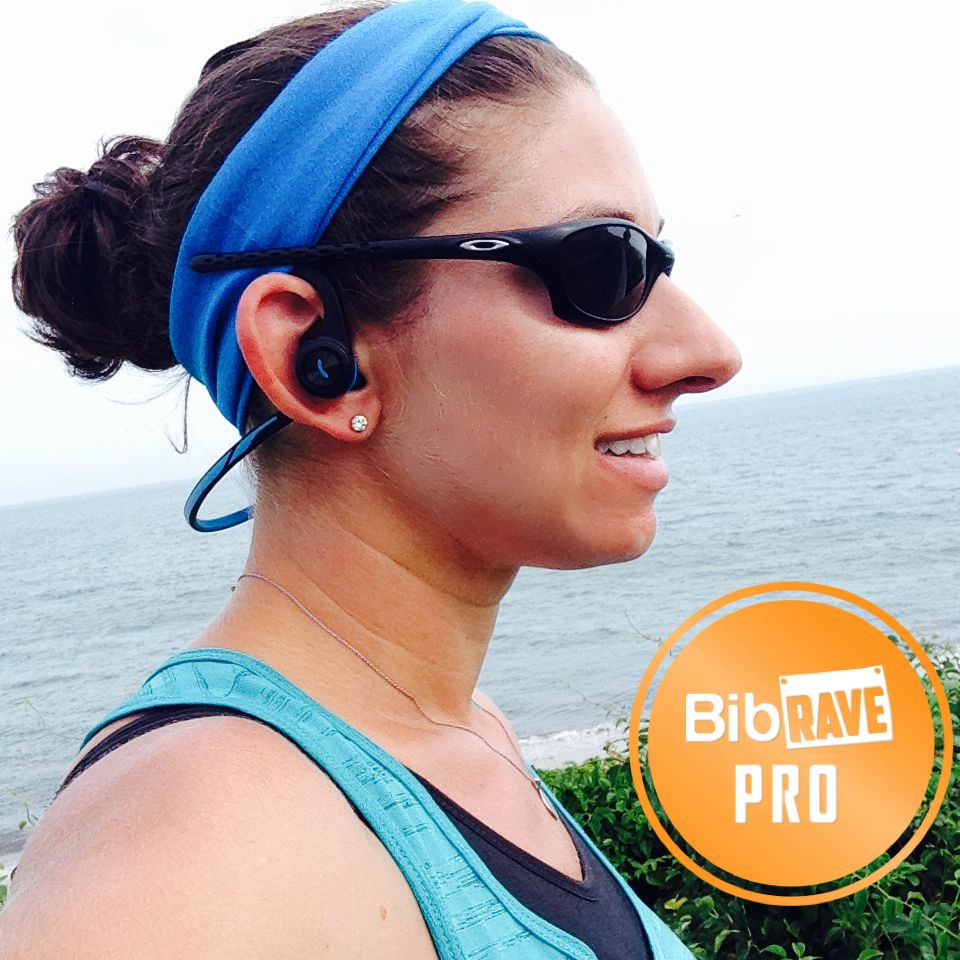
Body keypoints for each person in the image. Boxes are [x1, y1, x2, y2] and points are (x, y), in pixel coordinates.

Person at [2, 0, 740, 956]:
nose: (709, 352)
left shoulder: (461, 735)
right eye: (603, 267)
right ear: (316, 354)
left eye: (659, 261)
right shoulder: (198, 860)